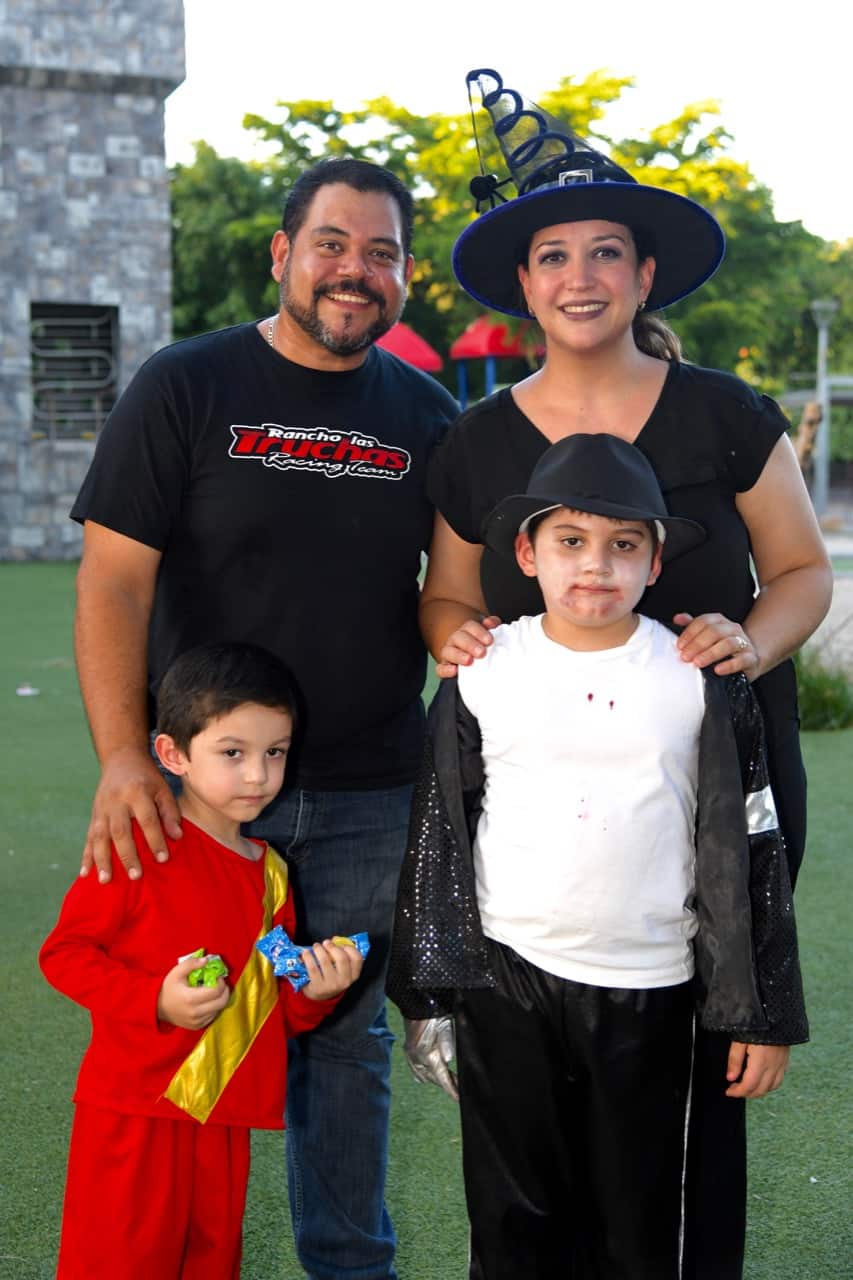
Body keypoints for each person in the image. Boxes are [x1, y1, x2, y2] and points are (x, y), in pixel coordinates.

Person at [414, 69, 831, 1277]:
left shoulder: (723, 412)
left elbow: (801, 568)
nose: (580, 276)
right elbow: (447, 593)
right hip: (535, 821)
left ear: (645, 275)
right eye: (553, 254)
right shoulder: (475, 440)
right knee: (533, 1121)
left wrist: (754, 639)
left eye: (607, 251)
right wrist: (450, 635)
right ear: (523, 283)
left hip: (702, 787)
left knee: (684, 1102)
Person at [70, 157, 458, 1280]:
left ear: (403, 279)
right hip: (197, 794)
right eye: (332, 243)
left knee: (340, 1040)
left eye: (380, 252)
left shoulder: (428, 416)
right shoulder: (185, 383)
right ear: (283, 253)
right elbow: (111, 583)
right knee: (180, 1017)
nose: (355, 270)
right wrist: (119, 758)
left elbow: (456, 591)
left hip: (365, 785)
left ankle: (350, 1266)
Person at [388, 433, 808, 1279]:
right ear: (525, 552)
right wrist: (430, 995)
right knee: (516, 1223)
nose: (595, 566)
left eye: (623, 545)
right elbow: (439, 832)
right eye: (569, 541)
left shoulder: (698, 674)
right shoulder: (481, 671)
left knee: (642, 1225)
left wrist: (761, 1011)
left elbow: (752, 840)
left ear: (655, 563)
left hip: (653, 987)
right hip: (510, 980)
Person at [41, 641, 364, 1279]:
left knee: (210, 1265)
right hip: (135, 1112)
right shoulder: (138, 847)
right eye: (233, 753)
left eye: (275, 753)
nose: (258, 776)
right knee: (119, 1265)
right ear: (173, 755)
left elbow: (272, 1006)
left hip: (223, 1115)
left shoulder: (271, 875)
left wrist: (316, 991)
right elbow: (65, 955)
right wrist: (154, 1000)